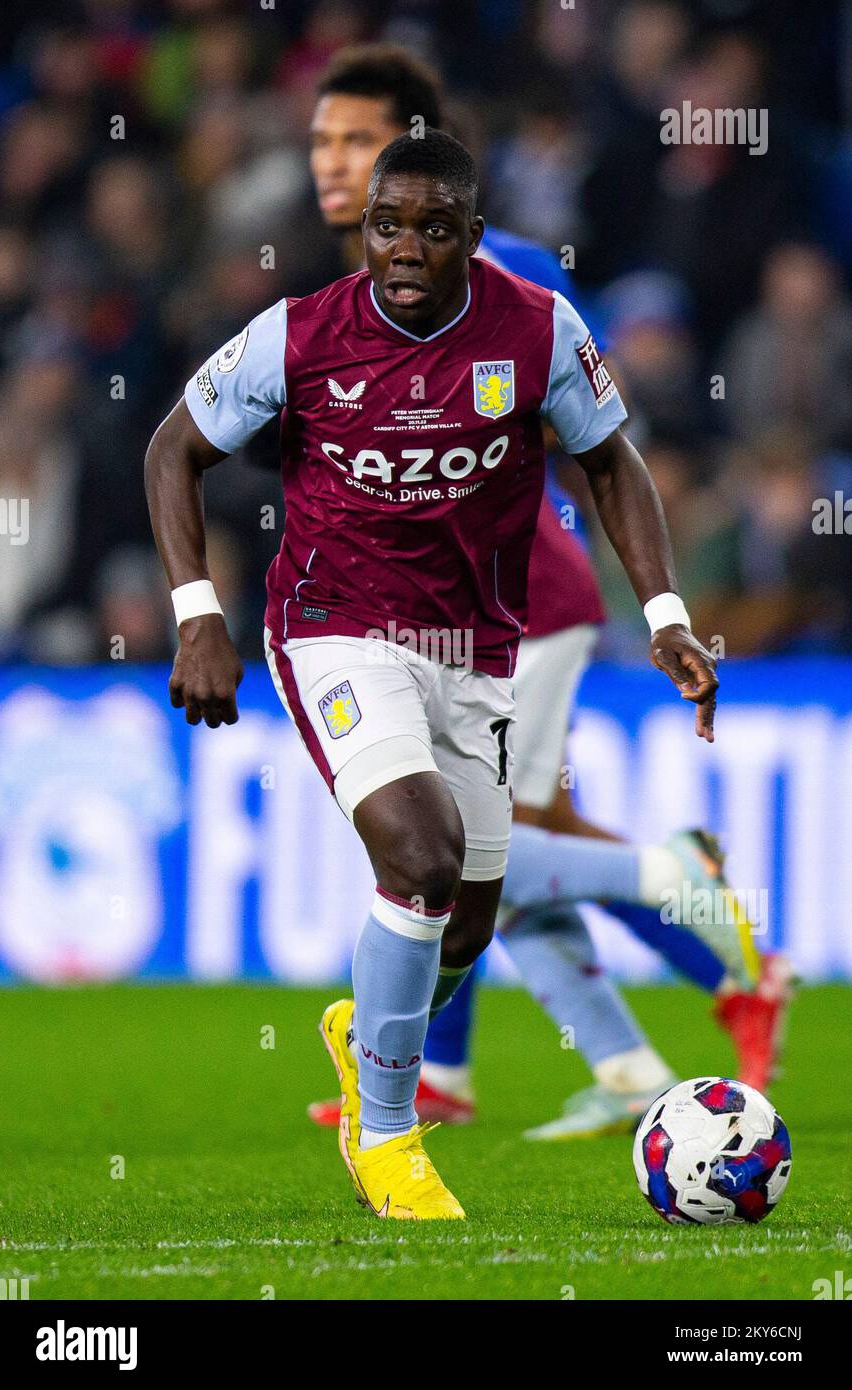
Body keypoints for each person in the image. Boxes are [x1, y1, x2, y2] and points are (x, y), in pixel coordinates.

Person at [145, 128, 719, 1219]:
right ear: (363, 231)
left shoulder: (538, 331)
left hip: (474, 648)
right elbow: (173, 446)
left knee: (466, 916)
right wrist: (195, 616)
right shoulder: (299, 335)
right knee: (419, 853)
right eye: (384, 226)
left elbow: (607, 459)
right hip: (332, 626)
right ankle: (391, 1131)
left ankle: (366, 1027)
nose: (403, 248)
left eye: (431, 228)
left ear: (472, 236)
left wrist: (664, 613)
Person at [301, 46, 793, 1136]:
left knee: (475, 847)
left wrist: (649, 593)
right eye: (323, 140)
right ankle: (601, 1065)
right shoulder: (348, 293)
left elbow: (596, 421)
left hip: (519, 600)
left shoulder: (501, 264)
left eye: (358, 139)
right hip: (426, 614)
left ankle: (671, 880)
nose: (332, 161)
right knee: (492, 851)